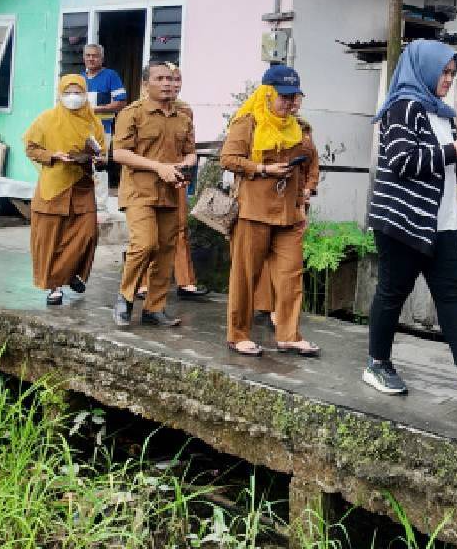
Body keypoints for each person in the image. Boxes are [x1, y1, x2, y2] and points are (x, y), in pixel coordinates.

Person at [362, 39, 457, 399]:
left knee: (451, 296)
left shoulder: (441, 113)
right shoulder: (403, 107)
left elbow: (442, 164)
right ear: (424, 70)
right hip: (403, 219)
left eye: (452, 73)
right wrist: (453, 149)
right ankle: (377, 364)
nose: (448, 79)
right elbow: (402, 161)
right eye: (443, 72)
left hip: (442, 221)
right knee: (392, 293)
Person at [220, 65, 319, 357]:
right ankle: (238, 335)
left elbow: (308, 165)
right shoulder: (248, 123)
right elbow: (228, 158)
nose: (289, 103)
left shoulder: (297, 127)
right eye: (283, 97)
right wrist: (263, 169)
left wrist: (304, 198)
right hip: (253, 211)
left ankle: (289, 335)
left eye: (293, 97)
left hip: (289, 213)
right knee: (245, 276)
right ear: (267, 94)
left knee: (291, 276)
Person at [111, 61, 196, 328]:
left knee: (166, 250)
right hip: (139, 191)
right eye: (160, 79)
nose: (167, 84)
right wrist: (159, 167)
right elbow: (119, 153)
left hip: (170, 193)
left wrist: (185, 165)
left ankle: (154, 308)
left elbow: (190, 152)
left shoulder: (184, 116)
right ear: (145, 85)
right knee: (145, 244)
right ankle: (125, 297)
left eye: (171, 79)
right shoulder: (132, 114)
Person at [23, 75, 106, 306]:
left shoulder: (93, 122)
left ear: (85, 94)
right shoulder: (47, 119)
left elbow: (101, 153)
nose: (73, 97)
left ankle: (71, 273)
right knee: (51, 238)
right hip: (54, 186)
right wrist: (53, 156)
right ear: (60, 94)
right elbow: (31, 148)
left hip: (82, 184)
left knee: (87, 234)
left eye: (78, 92)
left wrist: (98, 159)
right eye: (68, 93)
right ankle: (55, 287)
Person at [138, 65, 210, 301]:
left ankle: (186, 282)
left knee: (179, 228)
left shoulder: (184, 111)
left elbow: (189, 147)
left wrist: (186, 164)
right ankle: (142, 283)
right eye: (165, 79)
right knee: (147, 235)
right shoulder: (139, 110)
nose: (172, 84)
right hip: (148, 179)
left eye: (177, 79)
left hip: (177, 177)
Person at [255, 92, 319, 321]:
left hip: (295, 200)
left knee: (288, 261)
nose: (292, 104)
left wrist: (308, 189)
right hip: (263, 200)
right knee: (262, 256)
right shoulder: (259, 123)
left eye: (296, 100)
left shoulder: (304, 130)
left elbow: (313, 165)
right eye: (288, 99)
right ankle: (265, 304)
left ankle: (279, 311)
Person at [82, 44, 128, 135]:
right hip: (82, 129)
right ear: (84, 58)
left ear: (102, 59)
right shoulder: (79, 78)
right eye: (88, 55)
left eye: (95, 56)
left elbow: (121, 103)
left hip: (103, 130)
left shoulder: (110, 75)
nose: (91, 59)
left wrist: (95, 110)